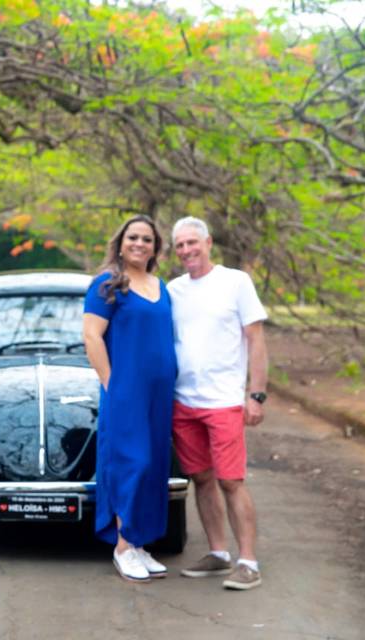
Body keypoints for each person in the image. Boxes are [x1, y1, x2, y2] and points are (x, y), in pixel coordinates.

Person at [167, 216, 268, 591]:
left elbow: (256, 339)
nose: (187, 251)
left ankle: (248, 561)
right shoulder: (173, 290)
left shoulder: (235, 282)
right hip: (184, 402)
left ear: (208, 242)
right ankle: (218, 553)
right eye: (179, 245)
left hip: (224, 400)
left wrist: (255, 394)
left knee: (230, 480)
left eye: (192, 242)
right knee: (202, 479)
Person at [82, 215, 177, 583]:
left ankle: (138, 543)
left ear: (156, 248)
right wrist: (112, 384)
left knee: (154, 464)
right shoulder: (107, 284)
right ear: (120, 243)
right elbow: (92, 337)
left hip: (159, 394)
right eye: (133, 237)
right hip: (126, 392)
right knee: (131, 463)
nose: (140, 244)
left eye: (147, 239)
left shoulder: (159, 285)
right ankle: (123, 546)